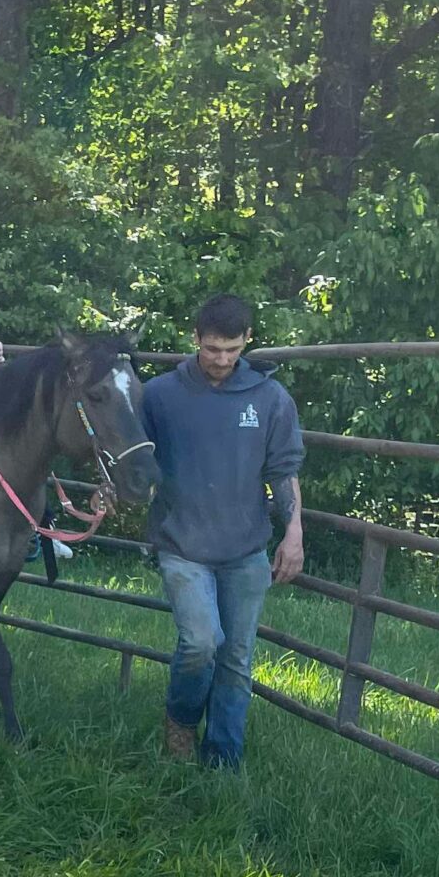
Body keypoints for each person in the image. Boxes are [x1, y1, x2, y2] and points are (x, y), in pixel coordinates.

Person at [140, 292, 304, 769]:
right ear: (195, 338)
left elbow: (284, 470)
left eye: (233, 349)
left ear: (247, 340)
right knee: (200, 642)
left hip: (245, 548)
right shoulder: (159, 395)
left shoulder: (270, 397)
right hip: (182, 543)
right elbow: (129, 456)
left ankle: (224, 758)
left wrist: (294, 532)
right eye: (213, 348)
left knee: (236, 655)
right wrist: (107, 491)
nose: (222, 359)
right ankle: (181, 721)